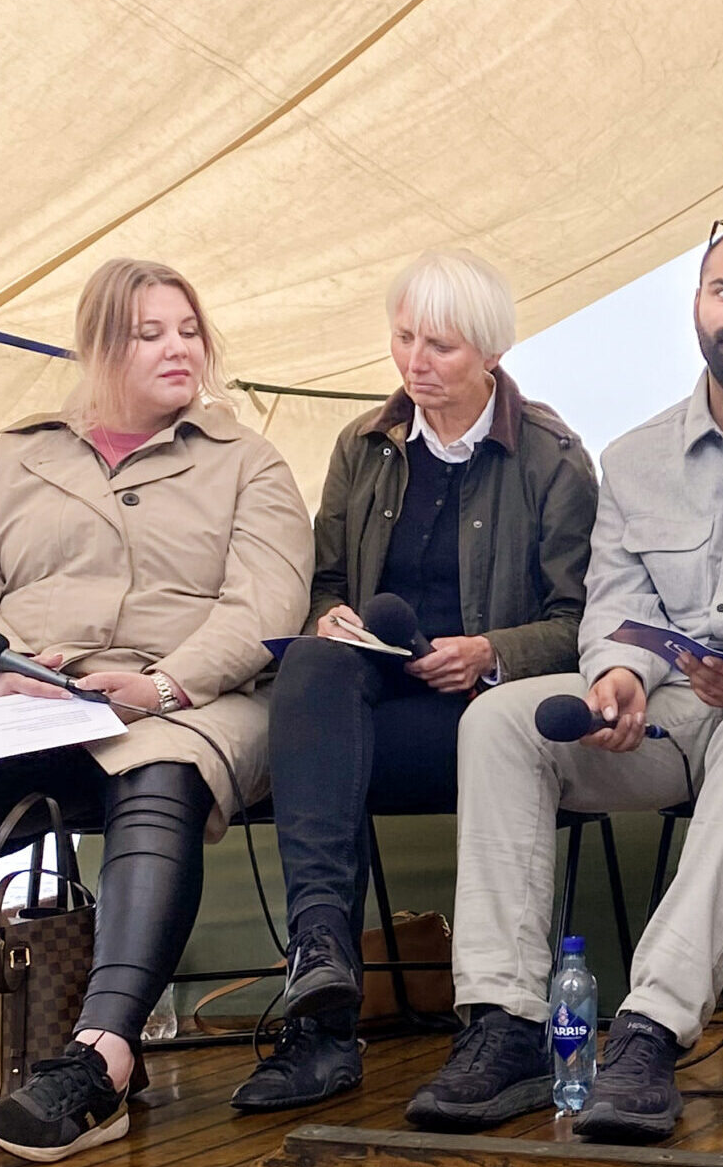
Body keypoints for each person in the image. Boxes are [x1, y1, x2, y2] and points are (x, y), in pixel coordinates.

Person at [406, 222, 723, 1139]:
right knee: (500, 722)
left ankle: (650, 1028)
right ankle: (506, 1022)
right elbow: (612, 601)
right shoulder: (633, 457)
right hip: (673, 711)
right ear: (696, 307)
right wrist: (617, 675)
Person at [0, 260, 312, 1161]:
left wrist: (162, 685)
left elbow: (267, 604)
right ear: (99, 346)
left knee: (164, 767)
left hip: (189, 698)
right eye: (150, 332)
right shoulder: (16, 455)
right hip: (38, 698)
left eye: (188, 329)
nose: (178, 348)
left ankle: (102, 1058)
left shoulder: (250, 461)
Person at [230, 251, 597, 1112]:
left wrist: (491, 650)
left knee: (322, 744)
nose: (415, 362)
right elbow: (323, 582)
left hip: (476, 721)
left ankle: (327, 1025)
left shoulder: (553, 459)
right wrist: (331, 618)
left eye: (441, 345)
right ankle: (321, 961)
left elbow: (582, 618)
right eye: (403, 338)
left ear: (491, 352)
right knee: (318, 663)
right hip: (367, 705)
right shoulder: (361, 446)